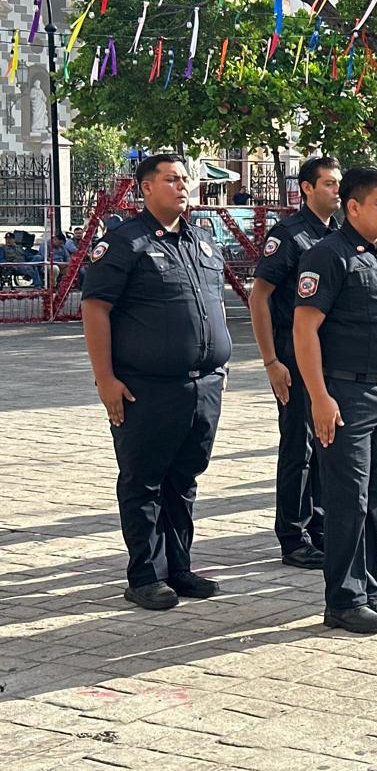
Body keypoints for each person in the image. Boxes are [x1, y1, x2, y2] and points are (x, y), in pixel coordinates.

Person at [81, 154, 232, 611]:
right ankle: (145, 574)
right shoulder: (126, 243)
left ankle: (179, 568)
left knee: (184, 479)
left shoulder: (203, 241)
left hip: (203, 384)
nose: (182, 186)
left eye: (185, 178)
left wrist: (219, 369)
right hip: (147, 387)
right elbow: (95, 309)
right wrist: (105, 379)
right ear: (145, 188)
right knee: (144, 480)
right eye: (171, 179)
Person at [292, 167, 377, 634]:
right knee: (349, 498)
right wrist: (319, 396)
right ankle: (342, 600)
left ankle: (369, 589)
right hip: (344, 391)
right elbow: (305, 330)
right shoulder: (328, 256)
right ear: (354, 207)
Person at [248, 155, 341, 571]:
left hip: (333, 353)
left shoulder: (341, 233)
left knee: (329, 442)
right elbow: (260, 296)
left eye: (339, 184)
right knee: (299, 445)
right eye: (328, 184)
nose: (336, 191)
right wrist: (270, 360)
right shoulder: (290, 235)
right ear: (307, 188)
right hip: (293, 351)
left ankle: (323, 526)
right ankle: (294, 533)